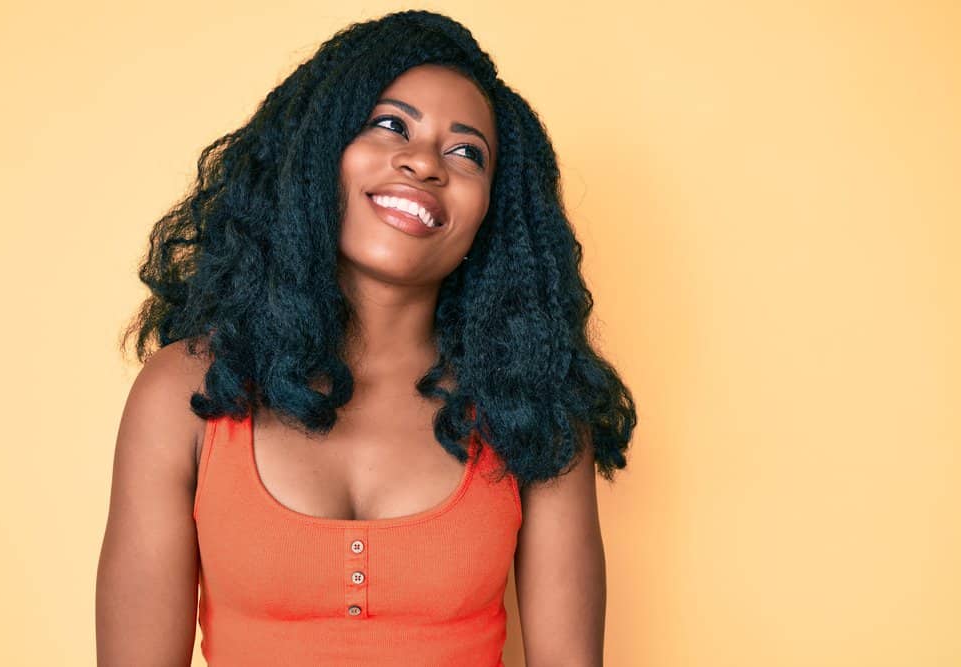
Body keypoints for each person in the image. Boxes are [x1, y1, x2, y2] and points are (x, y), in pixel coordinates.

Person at [96, 9, 637, 667]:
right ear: (321, 150)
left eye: (466, 151)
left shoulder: (534, 404)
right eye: (391, 125)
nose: (423, 162)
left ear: (496, 213)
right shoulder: (183, 391)